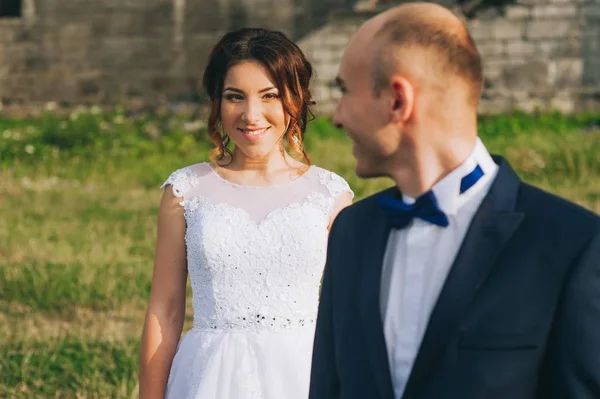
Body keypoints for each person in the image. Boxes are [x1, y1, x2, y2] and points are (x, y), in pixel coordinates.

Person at [309, 3, 600, 399]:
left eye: (343, 90)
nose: (336, 116)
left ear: (397, 100)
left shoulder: (572, 245)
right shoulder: (351, 232)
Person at [138, 27, 353, 399]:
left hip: (303, 374)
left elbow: (348, 314)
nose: (251, 115)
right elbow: (165, 309)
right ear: (217, 103)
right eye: (234, 97)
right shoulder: (185, 191)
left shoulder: (329, 194)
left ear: (295, 100)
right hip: (208, 376)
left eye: (269, 95)